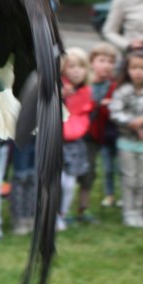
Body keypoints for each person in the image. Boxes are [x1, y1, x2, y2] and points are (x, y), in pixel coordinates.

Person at [109, 50, 143, 228]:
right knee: (129, 178)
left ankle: (139, 211)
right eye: (134, 68)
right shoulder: (121, 91)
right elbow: (115, 113)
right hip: (127, 142)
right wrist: (132, 123)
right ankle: (128, 212)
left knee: (142, 179)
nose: (138, 72)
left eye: (142, 68)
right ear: (127, 70)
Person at [59, 48, 93, 231]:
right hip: (57, 143)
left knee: (70, 184)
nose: (76, 71)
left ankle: (62, 214)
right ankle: (50, 214)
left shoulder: (86, 92)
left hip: (75, 143)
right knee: (58, 182)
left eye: (81, 66)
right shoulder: (56, 89)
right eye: (71, 66)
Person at [81, 43, 117, 212]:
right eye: (102, 61)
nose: (107, 65)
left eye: (111, 62)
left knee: (91, 170)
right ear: (92, 62)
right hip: (77, 133)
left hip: (97, 135)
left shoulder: (113, 86)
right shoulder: (84, 83)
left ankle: (83, 208)